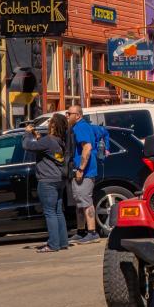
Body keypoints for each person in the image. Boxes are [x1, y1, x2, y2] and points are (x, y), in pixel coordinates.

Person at [23, 113, 69, 252]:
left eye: (50, 122)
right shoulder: (59, 141)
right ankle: (62, 242)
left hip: (47, 180)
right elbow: (48, 151)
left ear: (54, 125)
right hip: (59, 179)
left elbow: (27, 145)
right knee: (58, 212)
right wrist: (38, 138)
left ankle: (53, 244)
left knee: (50, 212)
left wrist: (26, 133)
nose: (48, 124)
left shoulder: (49, 140)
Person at [66, 105, 99, 244]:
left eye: (69, 113)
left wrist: (81, 169)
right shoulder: (77, 127)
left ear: (78, 115)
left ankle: (92, 232)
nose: (67, 115)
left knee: (85, 201)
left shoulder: (81, 127)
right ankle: (81, 232)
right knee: (80, 202)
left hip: (85, 173)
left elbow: (87, 147)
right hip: (79, 172)